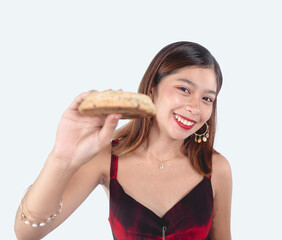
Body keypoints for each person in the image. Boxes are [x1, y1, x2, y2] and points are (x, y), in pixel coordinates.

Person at [14, 41, 232, 240]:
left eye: (207, 98)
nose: (195, 107)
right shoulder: (107, 158)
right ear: (153, 89)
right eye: (184, 89)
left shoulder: (216, 168)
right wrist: (61, 158)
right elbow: (27, 233)